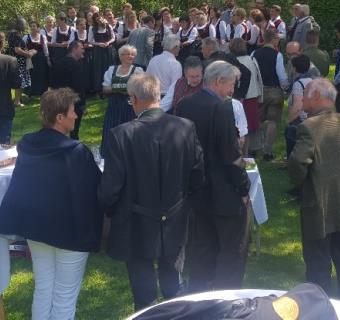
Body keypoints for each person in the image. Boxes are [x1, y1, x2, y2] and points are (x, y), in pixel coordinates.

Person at [99, 74, 205, 310]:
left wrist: (111, 211)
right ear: (158, 96)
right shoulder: (185, 127)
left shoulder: (122, 134)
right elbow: (198, 174)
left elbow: (111, 187)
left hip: (136, 222)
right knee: (174, 286)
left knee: (144, 294)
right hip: (174, 216)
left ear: (135, 99)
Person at [0, 89, 102, 320]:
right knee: (64, 296)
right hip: (71, 233)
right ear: (60, 118)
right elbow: (95, 190)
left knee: (43, 288)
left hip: (37, 229)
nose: (77, 115)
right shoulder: (76, 152)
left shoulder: (28, 145)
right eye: (73, 111)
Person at [175, 61, 251, 292]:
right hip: (224, 191)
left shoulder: (184, 104)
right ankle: (227, 297)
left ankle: (198, 293)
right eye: (231, 84)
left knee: (202, 246)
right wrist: (244, 187)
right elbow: (231, 155)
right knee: (231, 250)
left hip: (197, 189)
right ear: (218, 81)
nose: (232, 90)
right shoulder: (222, 108)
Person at [288, 78, 340, 300]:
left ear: (316, 97)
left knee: (318, 263)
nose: (301, 99)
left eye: (305, 94)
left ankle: (319, 307)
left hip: (319, 204)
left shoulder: (308, 127)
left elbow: (297, 163)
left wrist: (300, 184)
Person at [253, 28, 288, 161]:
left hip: (258, 91)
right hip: (274, 90)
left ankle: (254, 147)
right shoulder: (277, 55)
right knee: (272, 121)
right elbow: (281, 75)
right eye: (277, 38)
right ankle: (268, 151)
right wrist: (286, 87)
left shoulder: (254, 53)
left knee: (257, 120)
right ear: (274, 40)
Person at [101, 45, 143, 155]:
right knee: (112, 131)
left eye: (133, 54)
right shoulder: (112, 70)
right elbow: (105, 89)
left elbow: (138, 89)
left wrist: (118, 88)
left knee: (129, 132)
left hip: (130, 106)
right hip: (114, 106)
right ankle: (111, 156)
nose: (131, 56)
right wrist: (120, 88)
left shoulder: (138, 70)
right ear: (121, 56)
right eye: (128, 54)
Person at [50, 40, 90, 139]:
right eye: (81, 48)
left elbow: (53, 83)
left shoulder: (58, 63)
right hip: (73, 101)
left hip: (59, 100)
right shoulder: (76, 65)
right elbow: (79, 86)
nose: (83, 51)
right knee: (74, 130)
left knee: (59, 126)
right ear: (74, 49)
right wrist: (82, 104)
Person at [231, 38, 263, 150]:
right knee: (248, 126)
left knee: (240, 126)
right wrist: (260, 96)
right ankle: (250, 149)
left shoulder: (232, 61)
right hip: (251, 96)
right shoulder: (251, 59)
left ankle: (243, 151)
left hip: (238, 97)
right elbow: (259, 79)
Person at [285, 55, 315, 158]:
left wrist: (288, 121)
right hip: (313, 118)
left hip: (302, 120)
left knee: (290, 135)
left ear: (294, 68)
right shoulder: (312, 81)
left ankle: (292, 161)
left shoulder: (299, 84)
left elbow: (298, 106)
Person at [147, 34, 182, 101]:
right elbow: (175, 88)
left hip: (151, 97)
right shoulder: (175, 64)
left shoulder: (154, 59)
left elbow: (147, 79)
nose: (180, 49)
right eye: (179, 47)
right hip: (166, 98)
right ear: (175, 47)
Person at [7, 18, 31, 106]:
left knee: (22, 81)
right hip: (18, 61)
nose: (25, 26)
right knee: (19, 81)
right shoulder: (15, 34)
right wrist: (28, 54)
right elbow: (17, 50)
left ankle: (18, 99)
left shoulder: (15, 33)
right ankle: (17, 101)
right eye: (24, 24)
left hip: (19, 60)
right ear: (19, 24)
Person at [25, 21, 51, 96]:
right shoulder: (26, 37)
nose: (32, 28)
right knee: (32, 75)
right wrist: (28, 52)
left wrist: (48, 59)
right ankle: (31, 92)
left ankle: (42, 92)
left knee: (42, 76)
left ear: (38, 28)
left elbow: (45, 49)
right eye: (31, 26)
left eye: (34, 26)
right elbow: (23, 47)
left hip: (41, 60)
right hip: (30, 59)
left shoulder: (43, 37)